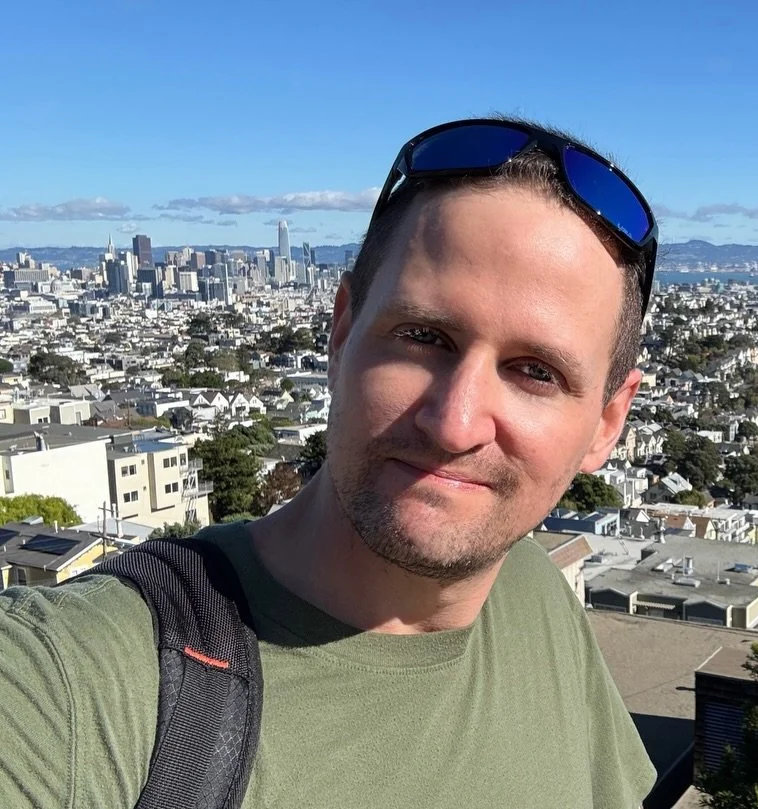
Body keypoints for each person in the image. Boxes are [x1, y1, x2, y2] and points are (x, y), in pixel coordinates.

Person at [0, 118, 660, 808]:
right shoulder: (74, 686)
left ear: (607, 423)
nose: (455, 421)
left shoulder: (536, 597)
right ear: (341, 335)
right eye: (423, 337)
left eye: (535, 372)